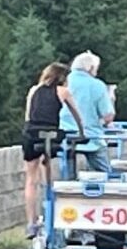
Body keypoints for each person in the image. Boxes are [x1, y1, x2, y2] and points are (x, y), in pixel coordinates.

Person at [21, 61, 83, 238]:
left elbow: (28, 116)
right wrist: (82, 132)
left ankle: (31, 223)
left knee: (30, 179)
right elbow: (77, 114)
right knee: (48, 167)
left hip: (32, 133)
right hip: (51, 133)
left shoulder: (33, 90)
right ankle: (50, 206)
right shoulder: (63, 91)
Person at [58, 51, 115, 176]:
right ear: (90, 68)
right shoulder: (97, 85)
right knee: (105, 174)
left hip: (65, 136)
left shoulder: (62, 81)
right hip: (91, 136)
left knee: (67, 175)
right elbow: (108, 115)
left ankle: (67, 189)